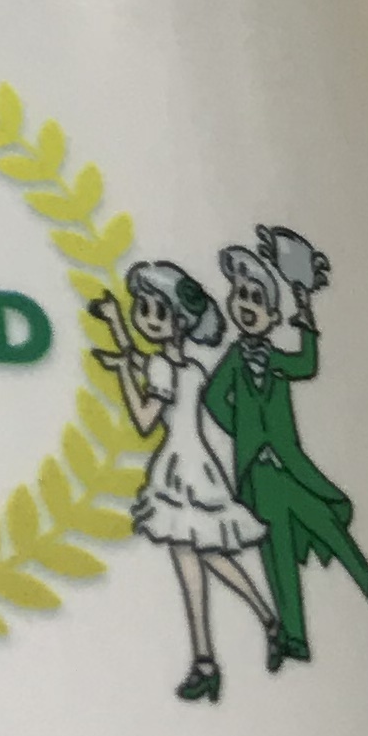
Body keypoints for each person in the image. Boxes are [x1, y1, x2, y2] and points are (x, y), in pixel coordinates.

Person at [91, 258, 282, 702]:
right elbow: (146, 363)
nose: (146, 318)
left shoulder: (164, 368)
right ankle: (243, 634)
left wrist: (121, 372)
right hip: (198, 465)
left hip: (179, 470)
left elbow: (144, 419)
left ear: (178, 321)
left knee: (197, 562)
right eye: (142, 309)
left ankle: (211, 657)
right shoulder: (190, 367)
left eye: (155, 311)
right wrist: (117, 327)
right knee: (202, 558)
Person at [198, 226, 368, 663]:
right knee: (277, 553)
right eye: (241, 296)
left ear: (272, 315)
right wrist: (242, 429)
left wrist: (306, 309)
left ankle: (367, 581)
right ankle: (296, 636)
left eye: (256, 300)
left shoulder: (276, 361)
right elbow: (212, 398)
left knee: (323, 517)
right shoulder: (234, 359)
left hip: (288, 466)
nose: (246, 306)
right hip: (257, 475)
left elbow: (307, 364)